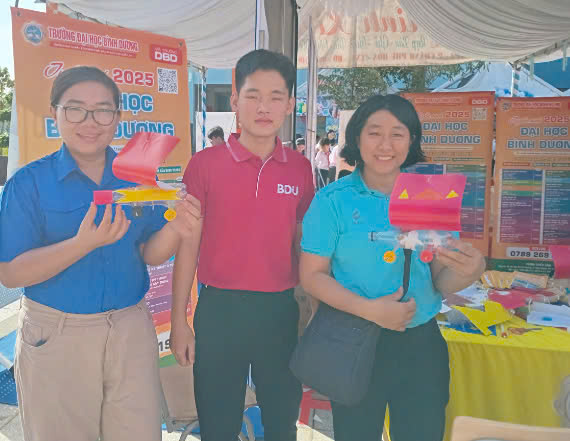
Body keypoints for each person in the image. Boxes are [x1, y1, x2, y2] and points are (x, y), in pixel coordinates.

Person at [0, 66, 198, 441]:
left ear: (117, 117)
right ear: (55, 113)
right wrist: (82, 244)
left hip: (130, 330)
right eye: (75, 109)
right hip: (57, 335)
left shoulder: (136, 178)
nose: (90, 122)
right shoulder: (28, 184)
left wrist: (176, 226)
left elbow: (150, 253)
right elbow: (10, 272)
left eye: (103, 110)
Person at [299, 94, 485, 441]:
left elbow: (441, 281)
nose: (385, 145)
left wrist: (470, 270)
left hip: (419, 346)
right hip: (353, 343)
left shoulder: (431, 199)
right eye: (374, 133)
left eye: (397, 134)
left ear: (411, 140)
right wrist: (370, 310)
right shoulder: (332, 201)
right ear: (357, 138)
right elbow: (311, 276)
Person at [170, 49, 314, 441]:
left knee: (282, 421)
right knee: (218, 424)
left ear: (290, 104)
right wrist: (180, 320)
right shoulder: (204, 164)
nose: (263, 107)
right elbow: (188, 246)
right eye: (253, 95)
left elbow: (304, 246)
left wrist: (315, 312)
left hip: (279, 312)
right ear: (235, 100)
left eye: (275, 97)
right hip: (220, 310)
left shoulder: (300, 169)